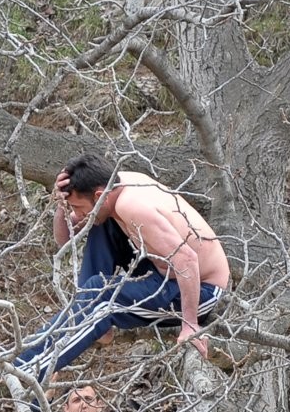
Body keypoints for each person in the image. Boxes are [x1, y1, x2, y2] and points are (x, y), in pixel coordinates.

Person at [14, 153, 231, 379]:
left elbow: (187, 260)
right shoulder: (114, 188)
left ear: (98, 194)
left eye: (77, 207)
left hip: (201, 291)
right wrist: (61, 206)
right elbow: (65, 239)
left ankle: (23, 373)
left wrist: (190, 325)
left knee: (103, 296)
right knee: (98, 222)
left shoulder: (133, 206)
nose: (76, 215)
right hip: (161, 270)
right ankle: (91, 316)